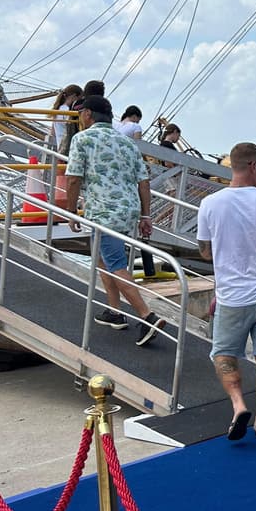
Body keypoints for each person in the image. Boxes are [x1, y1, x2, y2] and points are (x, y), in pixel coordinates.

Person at [198, 143, 256, 441]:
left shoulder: (210, 204)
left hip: (231, 296)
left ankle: (238, 405)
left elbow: (204, 251)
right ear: (252, 166)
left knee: (223, 353)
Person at [63, 95, 166, 346]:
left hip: (103, 212)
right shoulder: (128, 143)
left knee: (116, 264)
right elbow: (144, 182)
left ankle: (148, 316)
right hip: (128, 210)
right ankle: (114, 311)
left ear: (88, 114)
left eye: (81, 113)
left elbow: (74, 178)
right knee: (101, 258)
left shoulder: (83, 139)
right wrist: (145, 215)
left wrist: (70, 210)